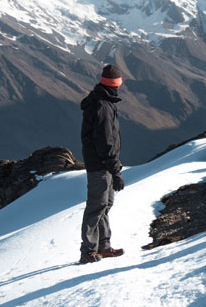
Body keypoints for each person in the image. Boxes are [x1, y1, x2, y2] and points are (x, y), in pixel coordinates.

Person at [79, 64, 127, 264]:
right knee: (96, 206)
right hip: (100, 165)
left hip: (101, 163)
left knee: (105, 205)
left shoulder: (103, 101)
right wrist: (115, 170)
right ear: (116, 84)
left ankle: (103, 246)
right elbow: (106, 142)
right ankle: (88, 250)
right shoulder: (103, 106)